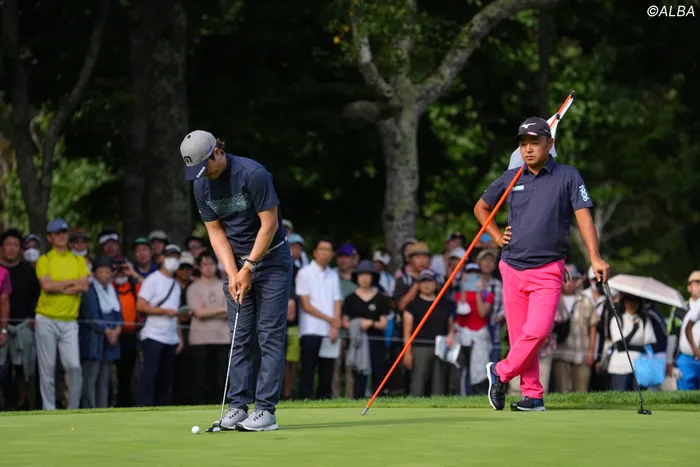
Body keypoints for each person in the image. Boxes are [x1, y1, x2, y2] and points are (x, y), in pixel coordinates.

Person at [474, 116, 610, 412]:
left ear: (550, 143)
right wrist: (496, 235)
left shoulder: (568, 176)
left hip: (548, 269)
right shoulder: (511, 177)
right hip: (512, 267)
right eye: (523, 143)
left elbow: (584, 217)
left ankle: (500, 371)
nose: (528, 149)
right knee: (522, 337)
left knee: (538, 331)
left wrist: (595, 257)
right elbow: (481, 207)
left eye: (534, 142)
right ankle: (532, 395)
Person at [180, 130, 292, 432]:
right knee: (239, 337)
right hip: (238, 262)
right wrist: (232, 272)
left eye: (205, 166)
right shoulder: (201, 184)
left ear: (217, 151)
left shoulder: (253, 174)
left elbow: (269, 225)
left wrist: (249, 267)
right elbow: (215, 232)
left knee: (268, 335)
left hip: (272, 261)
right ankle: (238, 407)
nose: (203, 175)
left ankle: (265, 410)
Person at [135, 244, 184, 406]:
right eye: (170, 256)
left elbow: (175, 314)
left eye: (176, 257)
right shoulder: (152, 279)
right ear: (162, 258)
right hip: (153, 336)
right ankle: (144, 408)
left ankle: (162, 410)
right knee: (149, 376)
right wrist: (163, 311)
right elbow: (140, 306)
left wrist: (179, 337)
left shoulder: (176, 285)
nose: (173, 260)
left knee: (166, 380)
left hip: (171, 338)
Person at [341, 260, 390, 399]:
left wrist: (371, 323)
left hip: (376, 342)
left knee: (379, 374)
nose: (364, 278)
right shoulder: (350, 299)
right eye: (361, 275)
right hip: (357, 343)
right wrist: (357, 324)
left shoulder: (381, 298)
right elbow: (344, 322)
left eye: (367, 275)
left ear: (373, 277)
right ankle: (358, 403)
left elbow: (384, 323)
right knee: (358, 378)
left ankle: (379, 403)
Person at [78, 255, 122, 408]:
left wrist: (117, 330)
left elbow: (119, 314)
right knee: (90, 379)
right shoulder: (88, 290)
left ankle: (102, 409)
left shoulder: (113, 290)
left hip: (109, 342)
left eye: (108, 271)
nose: (104, 275)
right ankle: (89, 410)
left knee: (104, 380)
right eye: (101, 271)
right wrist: (107, 331)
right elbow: (91, 315)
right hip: (93, 340)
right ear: (94, 273)